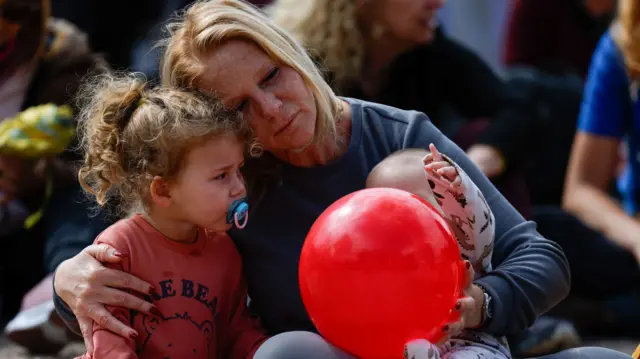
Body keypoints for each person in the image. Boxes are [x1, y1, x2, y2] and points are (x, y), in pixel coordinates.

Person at [52, 1, 631, 358]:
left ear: (291, 54)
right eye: (240, 106)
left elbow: (539, 258)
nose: (273, 109)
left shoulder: (400, 136)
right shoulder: (229, 181)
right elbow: (137, 237)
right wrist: (69, 277)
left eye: (272, 76)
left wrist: (477, 305)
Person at [265, 0, 537, 220]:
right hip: (332, 221)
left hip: (418, 215)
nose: (438, 3)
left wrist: (473, 164)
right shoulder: (298, 71)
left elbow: (519, 109)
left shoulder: (428, 51)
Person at [71, 72, 268, 358]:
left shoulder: (224, 250)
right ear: (163, 190)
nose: (239, 188)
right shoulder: (120, 248)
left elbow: (235, 330)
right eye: (221, 176)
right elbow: (110, 345)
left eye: (238, 170)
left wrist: (265, 351)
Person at [0, 0, 111, 353]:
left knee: (85, 192)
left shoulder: (67, 60)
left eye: (14, 12)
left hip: (43, 226)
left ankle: (63, 294)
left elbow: (106, 159)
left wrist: (36, 174)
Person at [367, 144, 511, 359]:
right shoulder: (382, 257)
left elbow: (478, 223)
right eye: (386, 207)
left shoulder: (462, 242)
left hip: (475, 345)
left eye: (416, 204)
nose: (402, 216)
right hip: (411, 345)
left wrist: (461, 192)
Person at [561, 0, 640, 331]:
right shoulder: (622, 43)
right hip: (630, 240)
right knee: (541, 236)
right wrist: (636, 237)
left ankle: (609, 314)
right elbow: (580, 190)